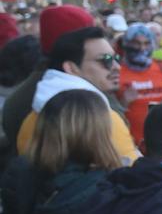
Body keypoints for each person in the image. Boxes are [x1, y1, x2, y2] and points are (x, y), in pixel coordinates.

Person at [19, 23, 139, 163]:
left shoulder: (32, 117)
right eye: (105, 60)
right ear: (71, 68)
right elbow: (132, 172)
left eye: (116, 58)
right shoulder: (104, 118)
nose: (117, 67)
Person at [115, 25, 162, 148]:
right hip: (126, 142)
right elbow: (107, 114)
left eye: (146, 43)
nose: (142, 48)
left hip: (158, 142)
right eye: (136, 43)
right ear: (126, 44)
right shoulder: (115, 71)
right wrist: (123, 102)